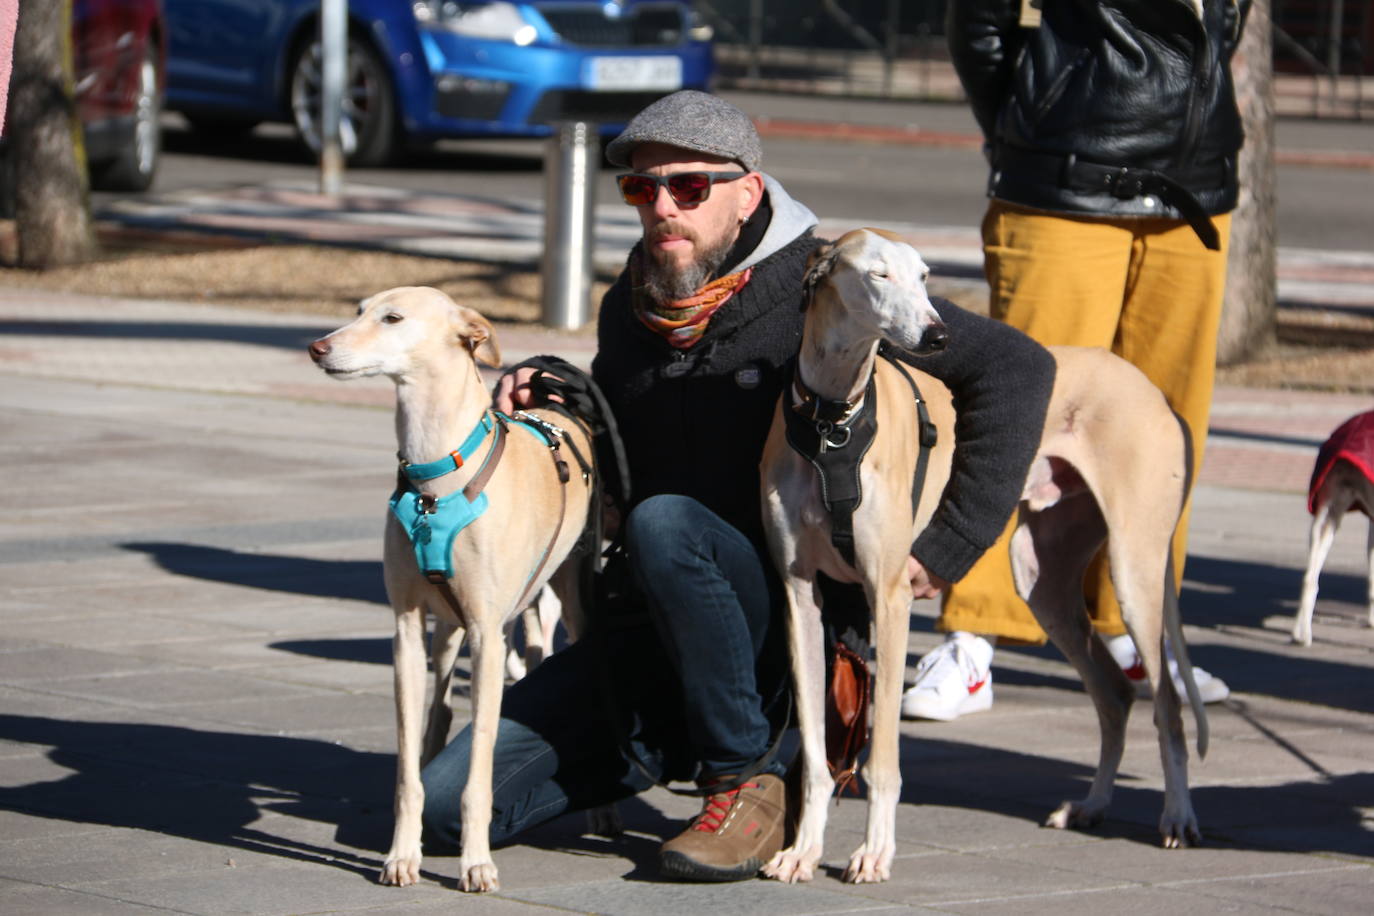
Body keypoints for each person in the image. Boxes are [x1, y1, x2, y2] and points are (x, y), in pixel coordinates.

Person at [420, 90, 1055, 882]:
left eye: (688, 188)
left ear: (747, 193)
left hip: (786, 628)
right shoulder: (632, 305)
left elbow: (1016, 369)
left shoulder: (826, 284)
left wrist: (952, 541)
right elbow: (622, 444)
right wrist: (555, 391)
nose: (661, 207)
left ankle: (748, 778)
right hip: (654, 626)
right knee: (445, 810)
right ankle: (666, 740)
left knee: (667, 524)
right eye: (640, 189)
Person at [901, 0, 1248, 722]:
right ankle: (974, 636)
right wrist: (1030, 124)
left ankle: (1137, 627)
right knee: (1018, 411)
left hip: (1194, 189)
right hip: (1061, 184)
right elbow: (980, 25)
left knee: (1167, 430)